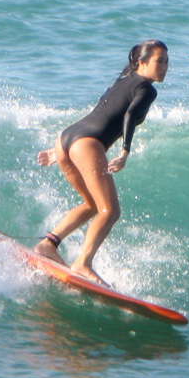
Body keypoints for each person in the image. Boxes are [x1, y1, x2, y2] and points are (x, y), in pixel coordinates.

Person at [34, 40, 169, 286]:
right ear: (142, 63)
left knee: (91, 205)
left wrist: (59, 152)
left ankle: (48, 244)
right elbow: (129, 115)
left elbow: (99, 112)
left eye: (167, 62)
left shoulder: (120, 82)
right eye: (159, 61)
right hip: (87, 144)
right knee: (110, 211)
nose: (165, 67)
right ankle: (83, 263)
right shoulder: (147, 89)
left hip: (67, 138)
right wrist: (126, 150)